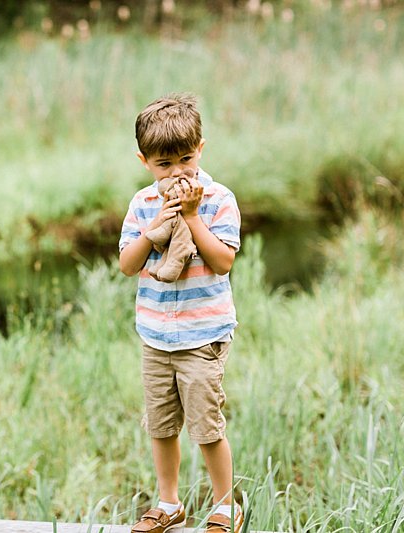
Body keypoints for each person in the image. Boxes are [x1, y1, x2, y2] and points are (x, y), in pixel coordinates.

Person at [118, 93, 243, 533]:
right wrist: (155, 231)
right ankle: (168, 502)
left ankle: (226, 505)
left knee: (207, 426)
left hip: (202, 335)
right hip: (156, 335)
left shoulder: (219, 199)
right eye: (163, 164)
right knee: (161, 424)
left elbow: (223, 261)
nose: (176, 173)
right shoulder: (141, 204)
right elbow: (128, 265)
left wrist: (191, 218)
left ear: (201, 149)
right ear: (145, 161)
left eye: (185, 159)